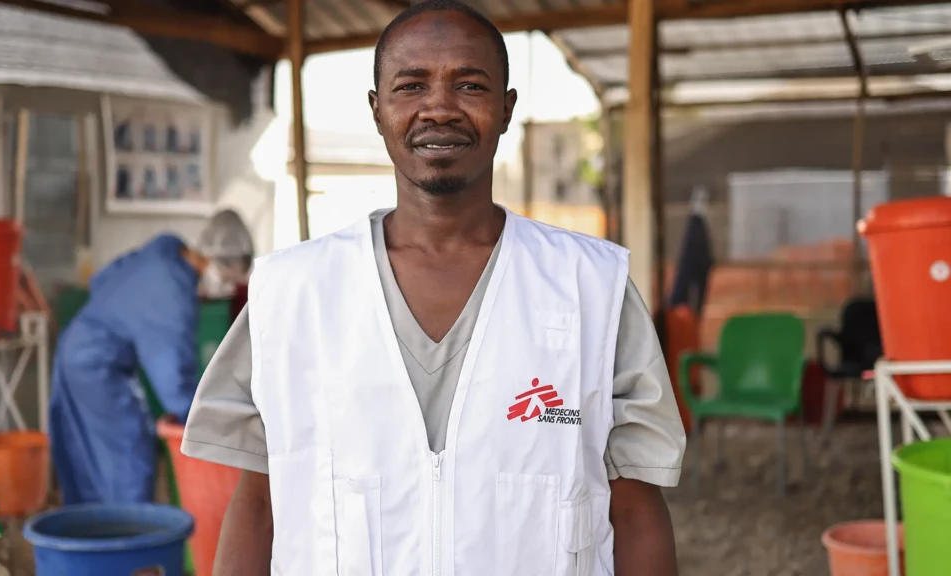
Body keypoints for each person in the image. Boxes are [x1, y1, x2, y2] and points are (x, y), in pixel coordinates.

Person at [182, 1, 686, 574]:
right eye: (411, 85)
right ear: (378, 110)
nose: (439, 108)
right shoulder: (293, 292)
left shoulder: (590, 289)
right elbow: (258, 506)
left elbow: (637, 509)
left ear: (505, 108)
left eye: (469, 85)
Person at [49, 209, 253, 506]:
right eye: (227, 275)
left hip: (77, 349)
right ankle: (130, 541)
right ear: (209, 259)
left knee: (89, 460)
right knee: (129, 451)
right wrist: (215, 429)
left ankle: (96, 538)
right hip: (96, 364)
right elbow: (175, 385)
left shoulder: (163, 255)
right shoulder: (172, 293)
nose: (227, 285)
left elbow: (101, 282)